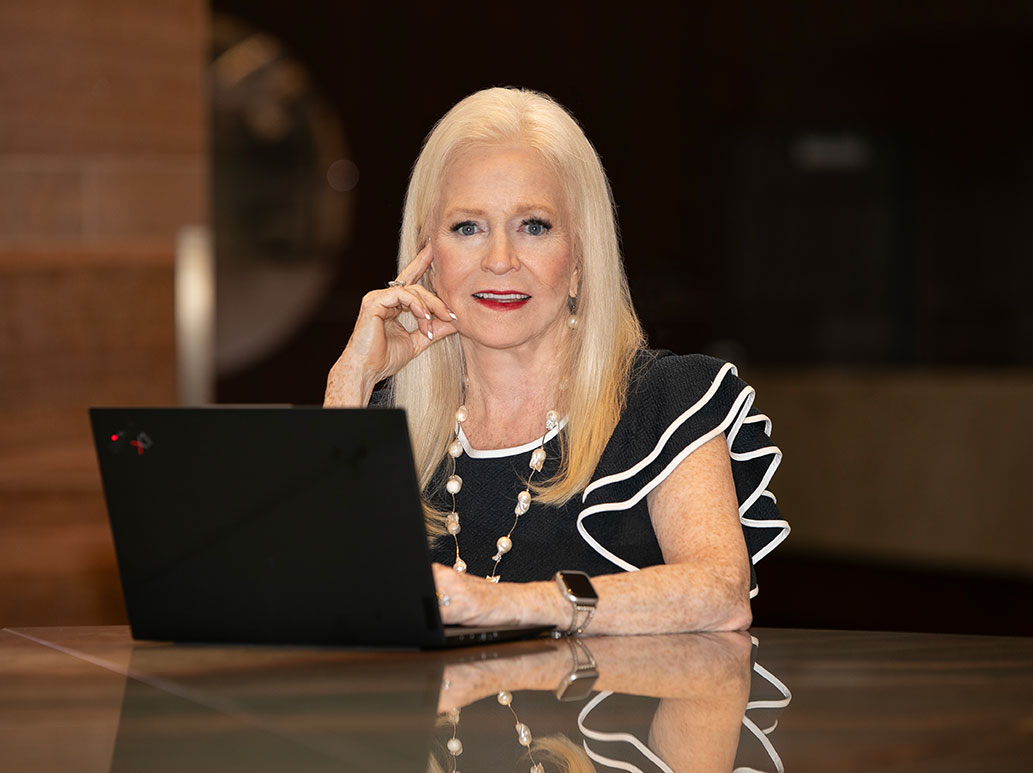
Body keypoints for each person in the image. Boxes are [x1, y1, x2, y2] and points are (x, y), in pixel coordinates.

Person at [324, 87, 788, 635]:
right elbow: (313, 602)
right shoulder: (380, 425)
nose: (500, 260)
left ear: (579, 260)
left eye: (534, 226)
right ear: (428, 257)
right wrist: (347, 386)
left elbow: (719, 593)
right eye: (467, 227)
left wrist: (513, 605)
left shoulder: (667, 399)